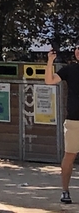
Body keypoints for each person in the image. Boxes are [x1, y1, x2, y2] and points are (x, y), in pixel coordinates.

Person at [46, 47, 79, 205]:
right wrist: (50, 61)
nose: (78, 51)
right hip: (74, 121)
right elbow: (49, 80)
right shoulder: (70, 69)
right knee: (69, 156)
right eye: (78, 49)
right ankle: (65, 191)